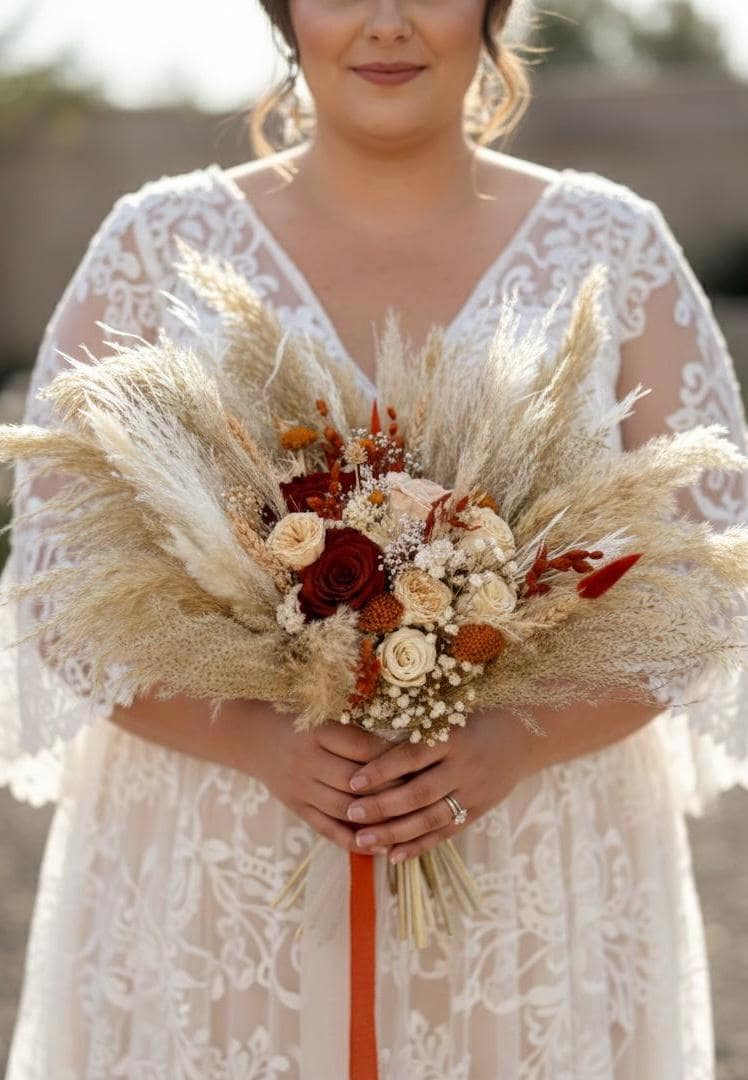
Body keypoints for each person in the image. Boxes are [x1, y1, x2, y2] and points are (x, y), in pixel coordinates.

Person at [2, 0, 747, 1075]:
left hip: (529, 873)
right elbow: (57, 585)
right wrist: (255, 742)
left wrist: (519, 742)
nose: (387, 23)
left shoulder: (615, 246)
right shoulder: (155, 245)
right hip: (223, 873)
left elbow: (710, 583)